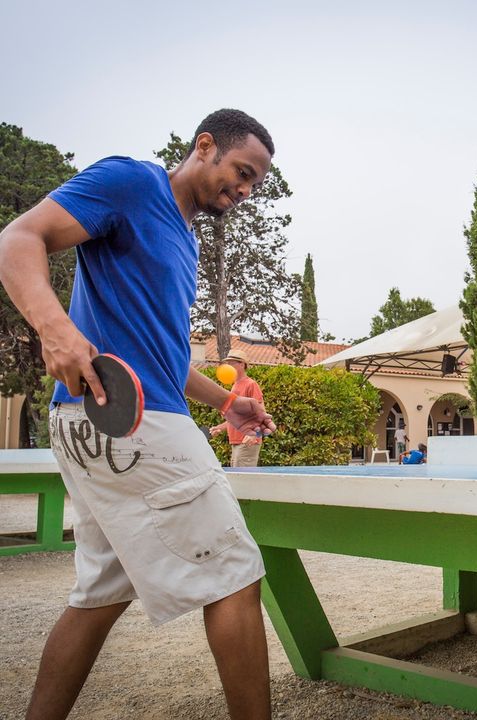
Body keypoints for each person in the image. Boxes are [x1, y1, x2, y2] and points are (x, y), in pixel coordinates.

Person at [0, 109, 278, 720]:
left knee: (98, 593)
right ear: (204, 146)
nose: (245, 189)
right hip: (130, 422)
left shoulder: (183, 239)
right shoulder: (132, 182)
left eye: (255, 182)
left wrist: (230, 402)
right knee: (234, 573)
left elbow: (167, 358)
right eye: (241, 171)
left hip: (93, 423)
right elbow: (18, 237)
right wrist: (54, 329)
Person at [210, 348, 266, 467]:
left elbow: (261, 413)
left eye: (232, 362)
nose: (228, 365)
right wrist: (220, 428)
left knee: (244, 481)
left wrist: (253, 435)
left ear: (242, 364)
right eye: (227, 363)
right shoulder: (235, 386)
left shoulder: (251, 384)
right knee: (238, 479)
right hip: (236, 441)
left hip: (248, 441)